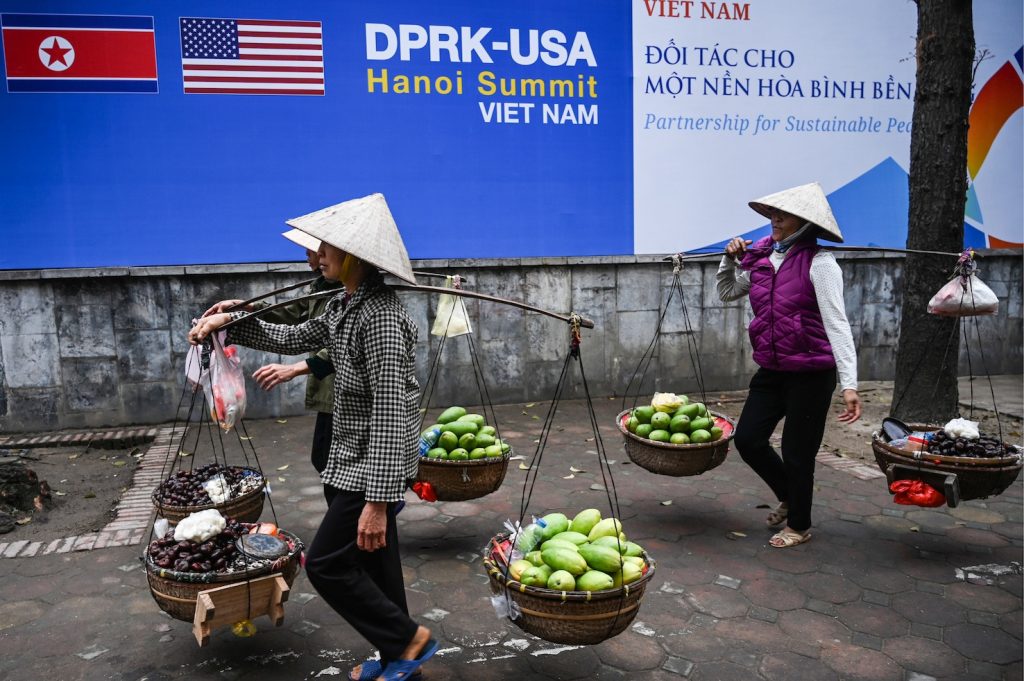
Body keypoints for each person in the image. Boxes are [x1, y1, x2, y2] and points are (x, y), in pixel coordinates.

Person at [189, 193, 437, 681]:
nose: (318, 254)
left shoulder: (382, 318)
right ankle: (398, 660)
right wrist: (233, 322)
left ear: (357, 257)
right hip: (352, 454)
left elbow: (390, 412)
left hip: (373, 462)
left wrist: (378, 502)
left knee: (325, 564)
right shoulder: (348, 305)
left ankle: (408, 641)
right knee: (376, 563)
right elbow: (293, 337)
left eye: (328, 247)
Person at [716, 182, 861, 548]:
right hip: (772, 368)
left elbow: (837, 322)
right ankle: (789, 495)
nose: (774, 220)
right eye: (772, 214)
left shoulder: (821, 264)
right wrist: (729, 259)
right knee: (748, 439)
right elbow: (728, 291)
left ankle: (799, 525)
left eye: (783, 215)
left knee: (798, 452)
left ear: (805, 223)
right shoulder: (762, 259)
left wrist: (849, 383)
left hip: (812, 373)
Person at [204, 229, 342, 486]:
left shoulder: (350, 299)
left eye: (320, 250)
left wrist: (295, 369)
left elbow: (342, 347)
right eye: (316, 250)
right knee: (327, 462)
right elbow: (295, 331)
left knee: (332, 464)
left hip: (345, 391)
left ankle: (371, 509)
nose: (314, 256)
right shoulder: (322, 289)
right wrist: (243, 311)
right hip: (330, 390)